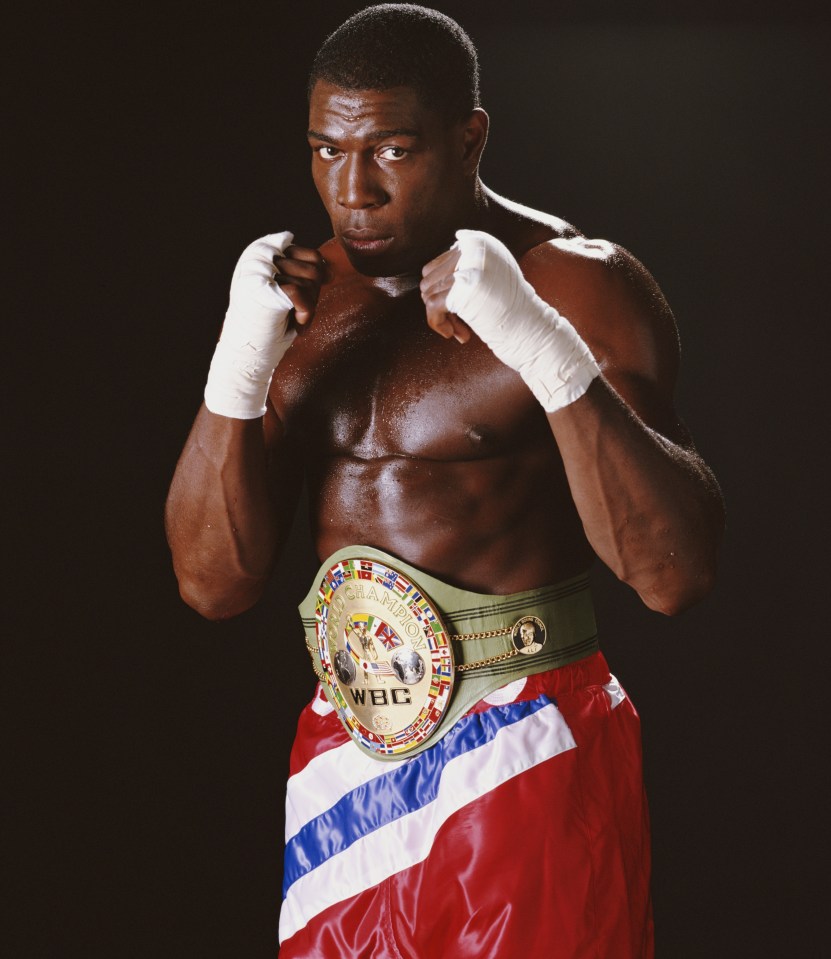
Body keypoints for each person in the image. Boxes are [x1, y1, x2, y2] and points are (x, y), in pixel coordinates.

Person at [165, 5, 724, 957]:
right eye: (326, 150)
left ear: (470, 140)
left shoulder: (575, 285)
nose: (353, 191)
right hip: (347, 753)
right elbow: (214, 584)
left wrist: (541, 349)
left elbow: (674, 574)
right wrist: (236, 363)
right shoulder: (303, 299)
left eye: (388, 150)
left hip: (526, 737)